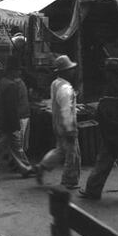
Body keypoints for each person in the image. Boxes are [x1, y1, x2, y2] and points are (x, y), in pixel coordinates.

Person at [79, 57, 118, 204]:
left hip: (116, 131)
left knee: (103, 161)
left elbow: (107, 111)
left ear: (110, 73)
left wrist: (100, 114)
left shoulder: (114, 88)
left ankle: (93, 190)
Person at [0, 57, 35, 181]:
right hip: (9, 122)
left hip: (3, 121)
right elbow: (11, 109)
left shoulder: (2, 82)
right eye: (17, 70)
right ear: (12, 71)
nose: (19, 72)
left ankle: (26, 168)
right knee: (2, 147)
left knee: (14, 147)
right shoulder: (11, 85)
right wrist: (14, 124)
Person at [34, 54, 81, 189]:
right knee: (73, 153)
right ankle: (69, 180)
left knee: (60, 150)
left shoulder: (55, 83)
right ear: (65, 71)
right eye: (70, 69)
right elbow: (66, 110)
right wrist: (70, 128)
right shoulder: (66, 88)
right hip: (66, 124)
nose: (73, 71)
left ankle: (42, 166)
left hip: (56, 122)